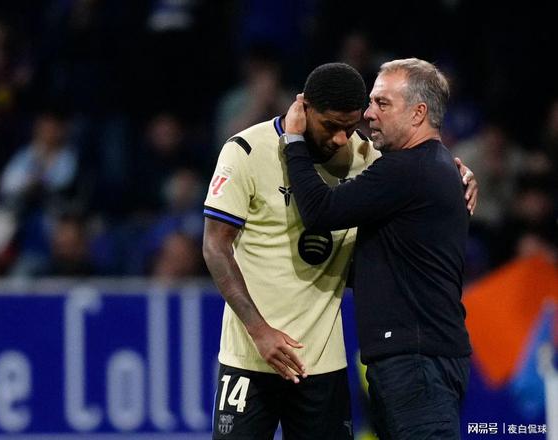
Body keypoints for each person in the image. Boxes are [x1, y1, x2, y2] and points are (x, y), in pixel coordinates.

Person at [203, 62, 477, 439]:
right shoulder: (246, 149)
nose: (339, 139)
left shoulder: (367, 156)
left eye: (349, 127)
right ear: (304, 107)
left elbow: (417, 168)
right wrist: (258, 330)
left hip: (322, 365)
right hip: (250, 356)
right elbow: (215, 247)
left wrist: (457, 173)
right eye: (330, 125)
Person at [282, 58, 473, 439]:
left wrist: (294, 141)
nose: (368, 114)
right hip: (419, 358)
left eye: (382, 103)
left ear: (419, 113)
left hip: (416, 362)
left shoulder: (407, 169)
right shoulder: (434, 166)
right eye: (371, 102)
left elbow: (320, 211)